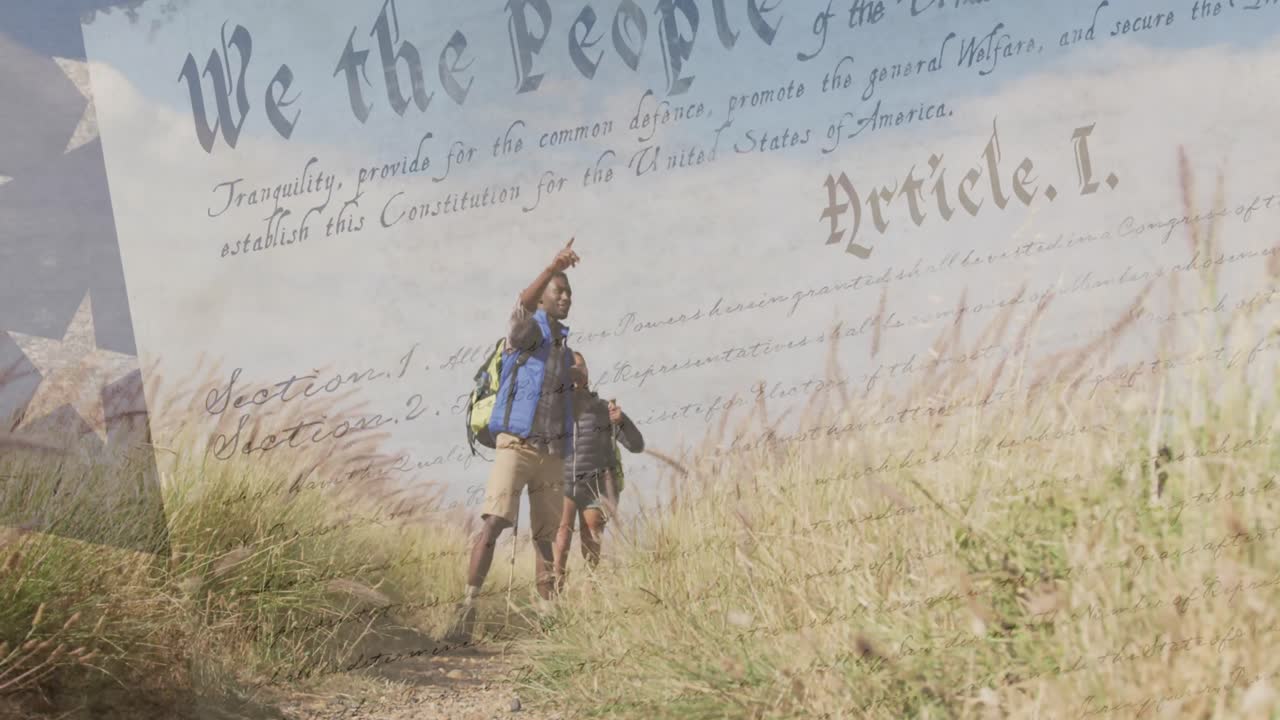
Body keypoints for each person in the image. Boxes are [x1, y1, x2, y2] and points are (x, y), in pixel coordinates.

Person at [448, 238, 579, 642]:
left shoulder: (564, 347)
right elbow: (521, 305)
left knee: (546, 540)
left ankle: (547, 623)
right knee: (493, 524)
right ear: (543, 297)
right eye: (559, 291)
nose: (566, 299)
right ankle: (465, 611)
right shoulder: (526, 329)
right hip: (516, 445)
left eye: (569, 295)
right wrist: (550, 266)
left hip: (552, 453)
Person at [553, 352, 644, 590]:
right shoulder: (554, 410)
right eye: (569, 370)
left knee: (592, 538)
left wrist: (622, 421)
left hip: (596, 484)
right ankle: (554, 595)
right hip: (563, 483)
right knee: (561, 539)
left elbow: (637, 445)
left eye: (579, 369)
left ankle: (589, 593)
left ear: (587, 374)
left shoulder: (605, 409)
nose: (575, 374)